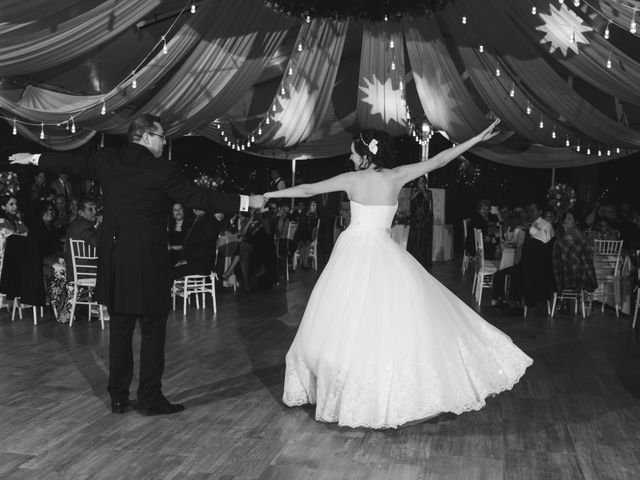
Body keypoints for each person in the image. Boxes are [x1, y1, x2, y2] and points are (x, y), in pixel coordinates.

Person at [264, 119, 532, 429]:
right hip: (383, 251)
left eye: (353, 153)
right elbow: (442, 159)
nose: (350, 158)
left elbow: (309, 189)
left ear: (365, 155)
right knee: (386, 321)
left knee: (346, 321)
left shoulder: (352, 178)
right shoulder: (397, 176)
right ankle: (375, 390)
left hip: (352, 252)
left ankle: (352, 390)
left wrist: (270, 196)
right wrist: (477, 138)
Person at [10, 114, 265, 417]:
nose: (164, 142)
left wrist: (32, 158)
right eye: (160, 136)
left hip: (116, 260)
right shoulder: (162, 169)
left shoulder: (106, 160)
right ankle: (150, 398)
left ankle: (118, 398)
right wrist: (247, 202)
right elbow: (202, 197)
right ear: (145, 137)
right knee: (153, 329)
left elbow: (70, 163)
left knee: (120, 328)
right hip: (149, 261)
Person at [406, 175, 433, 269]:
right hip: (415, 218)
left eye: (423, 181)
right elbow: (410, 199)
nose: (421, 182)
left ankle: (424, 260)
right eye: (420, 181)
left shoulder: (429, 192)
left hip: (425, 219)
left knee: (424, 239)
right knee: (415, 239)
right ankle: (413, 259)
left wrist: (423, 190)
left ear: (425, 182)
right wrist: (418, 191)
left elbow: (427, 199)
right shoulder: (414, 191)